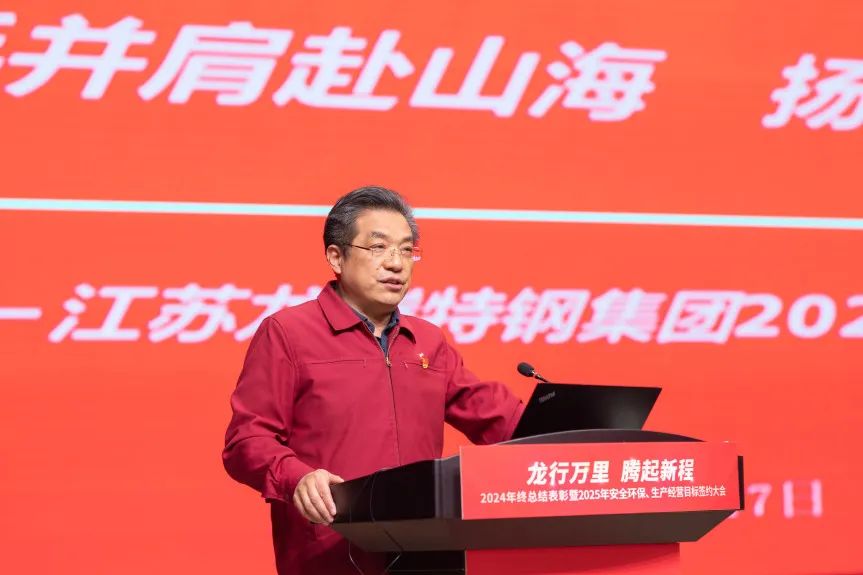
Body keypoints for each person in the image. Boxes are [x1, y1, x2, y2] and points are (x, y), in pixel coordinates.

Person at [222, 186, 524, 574]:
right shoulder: (289, 333)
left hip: (423, 550)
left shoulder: (427, 340)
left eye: (406, 250)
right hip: (330, 549)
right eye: (378, 248)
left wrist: (570, 430)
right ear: (336, 256)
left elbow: (491, 413)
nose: (396, 263)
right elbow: (247, 440)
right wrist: (298, 478)